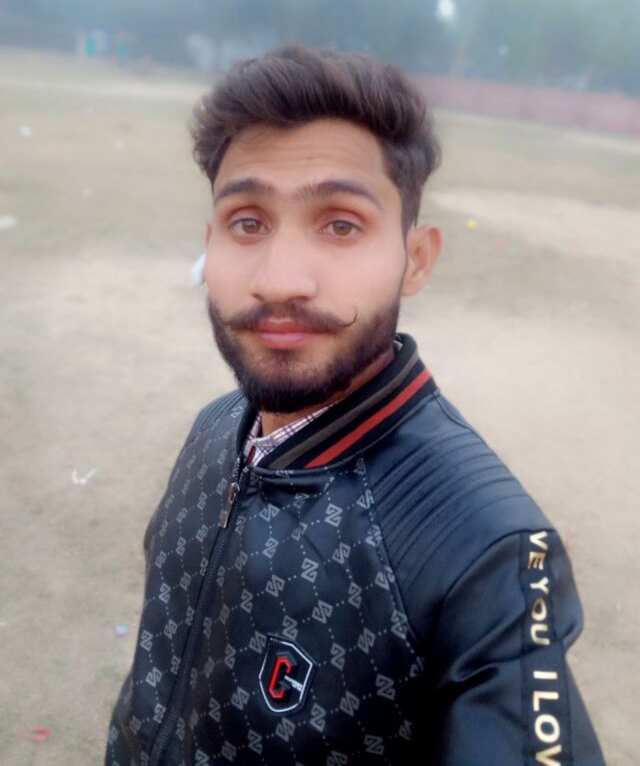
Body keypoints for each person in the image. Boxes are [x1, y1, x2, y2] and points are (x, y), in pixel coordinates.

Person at [105, 45, 603, 765]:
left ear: (416, 258)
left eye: (340, 224)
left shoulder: (485, 552)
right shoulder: (215, 427)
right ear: (210, 243)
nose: (280, 280)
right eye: (248, 222)